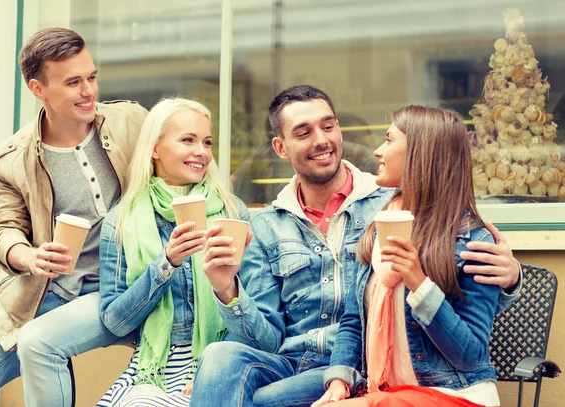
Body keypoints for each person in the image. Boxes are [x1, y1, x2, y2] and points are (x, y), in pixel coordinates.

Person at [189, 85, 521, 407]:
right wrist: (226, 290)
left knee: (260, 401)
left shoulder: (380, 206)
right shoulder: (269, 225)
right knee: (218, 358)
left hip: (369, 367)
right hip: (296, 362)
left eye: (329, 126)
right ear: (281, 147)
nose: (322, 140)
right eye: (303, 133)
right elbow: (269, 338)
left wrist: (510, 278)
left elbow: (455, 266)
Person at [0, 28, 148, 407]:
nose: (89, 92)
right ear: (37, 88)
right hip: (45, 294)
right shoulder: (11, 160)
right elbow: (5, 226)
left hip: (121, 287)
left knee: (40, 345)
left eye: (92, 77)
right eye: (73, 82)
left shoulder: (131, 122)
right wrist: (27, 256)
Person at [312, 105, 502, 407]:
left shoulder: (473, 243)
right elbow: (352, 322)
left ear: (419, 153)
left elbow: (470, 355)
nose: (377, 151)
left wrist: (419, 283)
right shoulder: (379, 226)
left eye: (388, 140)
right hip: (387, 393)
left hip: (454, 395)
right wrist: (339, 380)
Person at [96, 98, 250, 407]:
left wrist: (215, 369)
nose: (202, 152)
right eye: (188, 140)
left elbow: (257, 310)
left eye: (206, 142)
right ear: (154, 148)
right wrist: (166, 264)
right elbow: (115, 321)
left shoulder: (233, 211)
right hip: (154, 367)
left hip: (224, 357)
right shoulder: (123, 219)